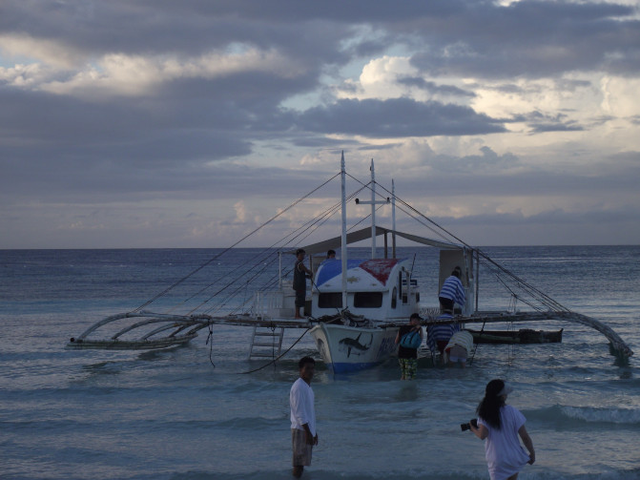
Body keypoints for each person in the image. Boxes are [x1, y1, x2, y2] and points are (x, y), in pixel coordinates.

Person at [469, 379, 535, 480]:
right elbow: (525, 437)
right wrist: (532, 454)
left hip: (497, 460)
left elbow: (482, 435)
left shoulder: (486, 413)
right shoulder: (513, 411)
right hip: (514, 457)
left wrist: (472, 428)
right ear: (502, 396)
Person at [290, 356, 318, 478]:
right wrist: (308, 432)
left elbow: (309, 412)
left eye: (312, 368)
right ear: (300, 370)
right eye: (307, 368)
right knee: (299, 463)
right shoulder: (298, 386)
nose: (310, 371)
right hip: (301, 429)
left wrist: (314, 432)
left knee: (302, 463)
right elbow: (299, 412)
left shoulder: (307, 387)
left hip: (306, 430)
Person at [395, 313, 423, 380]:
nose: (419, 322)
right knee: (411, 375)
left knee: (403, 375)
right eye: (418, 320)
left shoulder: (402, 328)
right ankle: (410, 390)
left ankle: (402, 389)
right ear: (413, 320)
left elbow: (396, 341)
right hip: (411, 355)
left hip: (401, 354)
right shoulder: (416, 329)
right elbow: (420, 340)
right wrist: (420, 329)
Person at [293, 249, 313, 319]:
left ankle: (297, 314)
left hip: (299, 284)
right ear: (297, 256)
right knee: (299, 299)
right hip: (299, 285)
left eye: (303, 255)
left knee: (299, 299)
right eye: (301, 255)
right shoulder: (300, 264)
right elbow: (307, 270)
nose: (303, 257)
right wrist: (310, 273)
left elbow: (301, 274)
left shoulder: (297, 263)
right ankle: (297, 315)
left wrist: (307, 276)